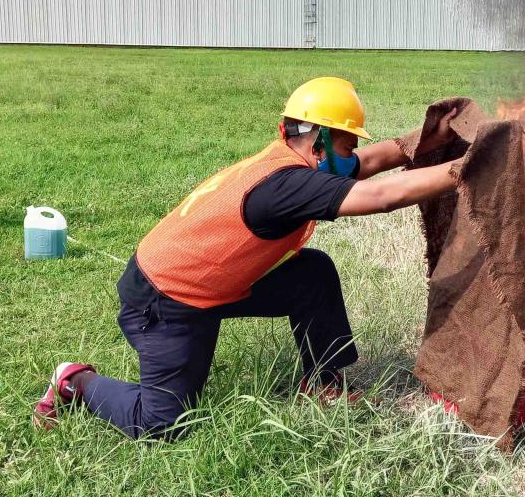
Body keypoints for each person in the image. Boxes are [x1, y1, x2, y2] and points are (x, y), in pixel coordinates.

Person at [34, 77, 458, 439]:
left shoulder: (291, 161)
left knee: (311, 273)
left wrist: (423, 142)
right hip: (165, 300)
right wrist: (465, 167)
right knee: (162, 424)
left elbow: (365, 164)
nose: (351, 157)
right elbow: (383, 195)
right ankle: (76, 381)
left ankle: (323, 381)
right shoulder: (287, 186)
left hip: (210, 281)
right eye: (345, 145)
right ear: (319, 142)